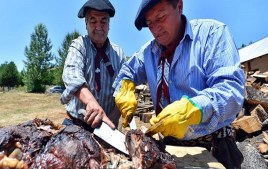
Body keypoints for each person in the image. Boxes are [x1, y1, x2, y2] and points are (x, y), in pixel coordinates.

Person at [113, 0, 245, 168]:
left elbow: (231, 89)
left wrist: (195, 108)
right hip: (168, 147)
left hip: (215, 147)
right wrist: (125, 86)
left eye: (160, 17)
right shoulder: (149, 52)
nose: (155, 29)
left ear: (180, 6)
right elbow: (127, 70)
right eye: (150, 24)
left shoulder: (212, 34)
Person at [60, 0, 126, 132]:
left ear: (109, 24)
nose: (99, 26)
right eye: (93, 21)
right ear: (86, 24)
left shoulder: (118, 53)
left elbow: (123, 89)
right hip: (76, 124)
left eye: (103, 21)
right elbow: (71, 74)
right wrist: (91, 102)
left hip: (106, 127)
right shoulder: (79, 45)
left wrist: (112, 119)